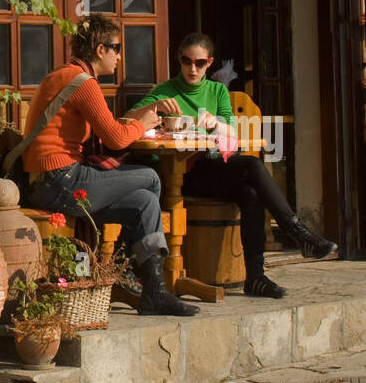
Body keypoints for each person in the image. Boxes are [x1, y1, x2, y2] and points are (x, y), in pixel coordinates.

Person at [127, 32, 337, 298]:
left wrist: (216, 124)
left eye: (200, 63)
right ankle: (297, 231)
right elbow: (126, 120)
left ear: (210, 62)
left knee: (250, 193)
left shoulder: (217, 91)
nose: (192, 68)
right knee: (251, 165)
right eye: (186, 61)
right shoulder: (166, 91)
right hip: (178, 172)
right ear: (179, 61)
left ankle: (256, 277)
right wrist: (155, 105)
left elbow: (231, 133)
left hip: (211, 166)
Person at [23, 14, 198, 317]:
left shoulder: (66, 75)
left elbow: (109, 129)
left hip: (50, 181)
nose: (120, 55)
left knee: (144, 201)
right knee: (152, 180)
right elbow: (117, 139)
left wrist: (142, 117)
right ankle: (127, 272)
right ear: (100, 50)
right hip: (58, 180)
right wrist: (143, 124)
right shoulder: (83, 82)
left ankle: (153, 292)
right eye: (116, 48)